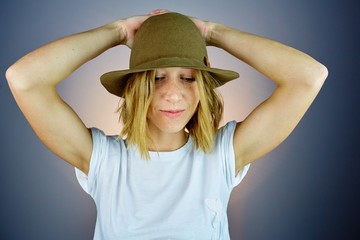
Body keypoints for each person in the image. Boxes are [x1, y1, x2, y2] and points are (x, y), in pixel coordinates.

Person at [6, 9, 327, 240]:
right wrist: (117, 32)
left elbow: (308, 76)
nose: (173, 93)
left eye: (188, 78)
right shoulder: (104, 161)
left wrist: (212, 33)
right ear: (135, 86)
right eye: (157, 77)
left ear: (203, 88)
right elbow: (23, 79)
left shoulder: (222, 156)